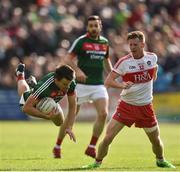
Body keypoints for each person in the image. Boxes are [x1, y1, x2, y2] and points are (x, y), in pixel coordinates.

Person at [83, 31, 176, 169]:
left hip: (145, 107)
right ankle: (96, 163)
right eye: (130, 44)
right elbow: (108, 82)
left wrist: (153, 75)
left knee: (155, 140)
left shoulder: (152, 58)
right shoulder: (124, 62)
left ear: (143, 44)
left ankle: (160, 160)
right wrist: (121, 85)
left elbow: (154, 68)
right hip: (126, 106)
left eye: (135, 44)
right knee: (108, 137)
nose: (132, 47)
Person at [53, 15, 112, 158]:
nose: (93, 28)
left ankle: (91, 147)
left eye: (95, 25)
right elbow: (67, 59)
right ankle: (58, 145)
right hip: (80, 86)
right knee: (70, 118)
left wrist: (114, 76)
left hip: (98, 85)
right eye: (90, 25)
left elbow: (106, 62)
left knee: (103, 114)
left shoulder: (105, 42)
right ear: (87, 27)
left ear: (100, 27)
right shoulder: (81, 41)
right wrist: (77, 71)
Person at [15, 63, 77, 141]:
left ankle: (34, 87)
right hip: (29, 103)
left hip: (49, 98)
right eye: (64, 84)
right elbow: (26, 108)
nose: (67, 87)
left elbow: (73, 106)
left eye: (69, 84)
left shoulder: (70, 83)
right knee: (24, 93)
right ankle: (20, 75)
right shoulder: (46, 86)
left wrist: (70, 127)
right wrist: (46, 117)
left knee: (60, 122)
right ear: (56, 80)